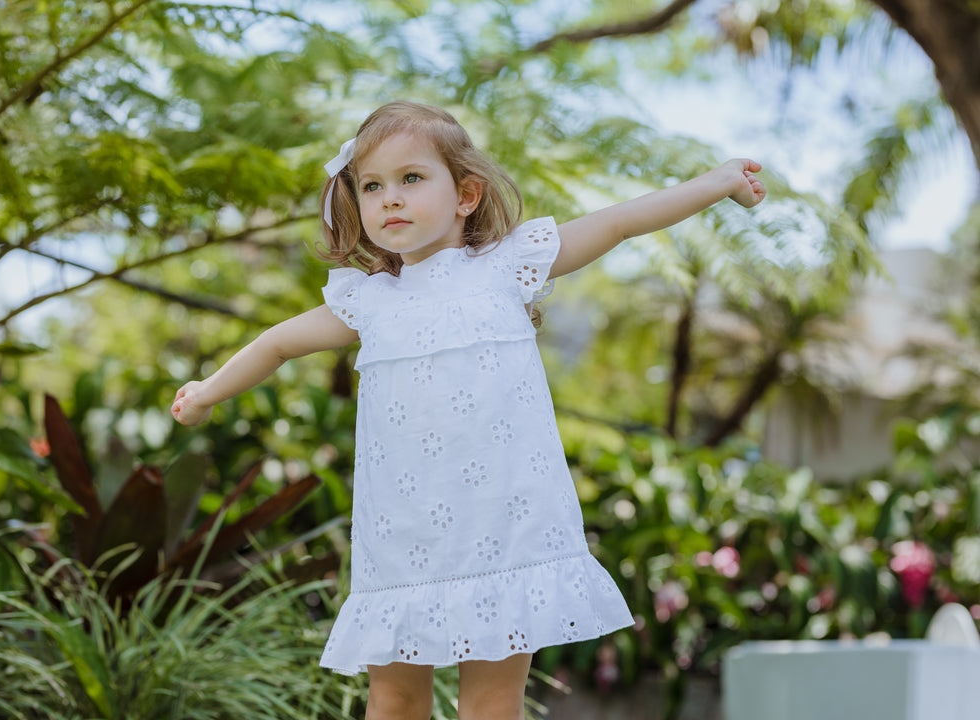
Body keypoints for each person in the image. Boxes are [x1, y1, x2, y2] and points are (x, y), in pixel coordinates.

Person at [171, 100, 766, 720]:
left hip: (505, 525)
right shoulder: (368, 302)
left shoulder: (509, 265)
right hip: (403, 537)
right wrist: (208, 390)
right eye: (371, 186)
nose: (389, 198)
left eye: (411, 179)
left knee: (492, 701)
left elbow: (618, 223)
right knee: (395, 696)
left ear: (466, 194)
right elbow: (277, 343)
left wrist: (718, 182)